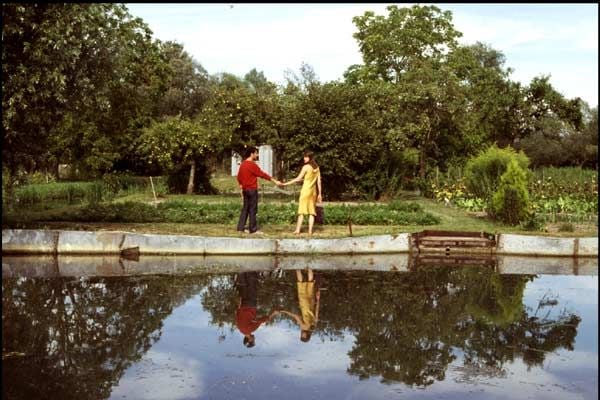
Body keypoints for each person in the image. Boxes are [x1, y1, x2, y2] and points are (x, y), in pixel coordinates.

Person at [236, 146, 282, 234]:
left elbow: (239, 178)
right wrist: (275, 181)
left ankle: (240, 228)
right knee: (253, 209)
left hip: (245, 190)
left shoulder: (243, 164)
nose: (257, 155)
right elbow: (262, 174)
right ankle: (253, 229)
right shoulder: (252, 165)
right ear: (252, 154)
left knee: (245, 208)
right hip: (252, 190)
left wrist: (241, 188)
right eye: (256, 153)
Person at [281, 151, 322, 236]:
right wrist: (320, 194)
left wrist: (285, 184)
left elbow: (298, 178)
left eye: (306, 157)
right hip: (313, 191)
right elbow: (318, 182)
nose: (304, 158)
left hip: (306, 190)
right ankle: (310, 231)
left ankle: (297, 230)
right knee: (312, 211)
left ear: (310, 158)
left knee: (301, 211)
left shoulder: (306, 167)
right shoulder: (317, 168)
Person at [235, 271, 279, 348]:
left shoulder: (250, 330)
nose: (254, 339)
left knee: (252, 285)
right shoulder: (240, 329)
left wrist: (273, 314)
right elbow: (237, 314)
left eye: (253, 341)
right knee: (244, 286)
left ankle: (251, 270)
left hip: (251, 306)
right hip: (243, 304)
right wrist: (240, 303)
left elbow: (260, 320)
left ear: (249, 340)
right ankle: (242, 270)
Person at [280, 268, 321, 342]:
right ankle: (297, 267)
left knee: (310, 283)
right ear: (307, 336)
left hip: (311, 302)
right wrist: (284, 311)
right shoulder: (304, 327)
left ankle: (309, 267)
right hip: (304, 304)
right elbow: (296, 316)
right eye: (303, 336)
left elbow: (317, 311)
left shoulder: (313, 326)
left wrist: (318, 300)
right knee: (300, 283)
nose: (302, 335)